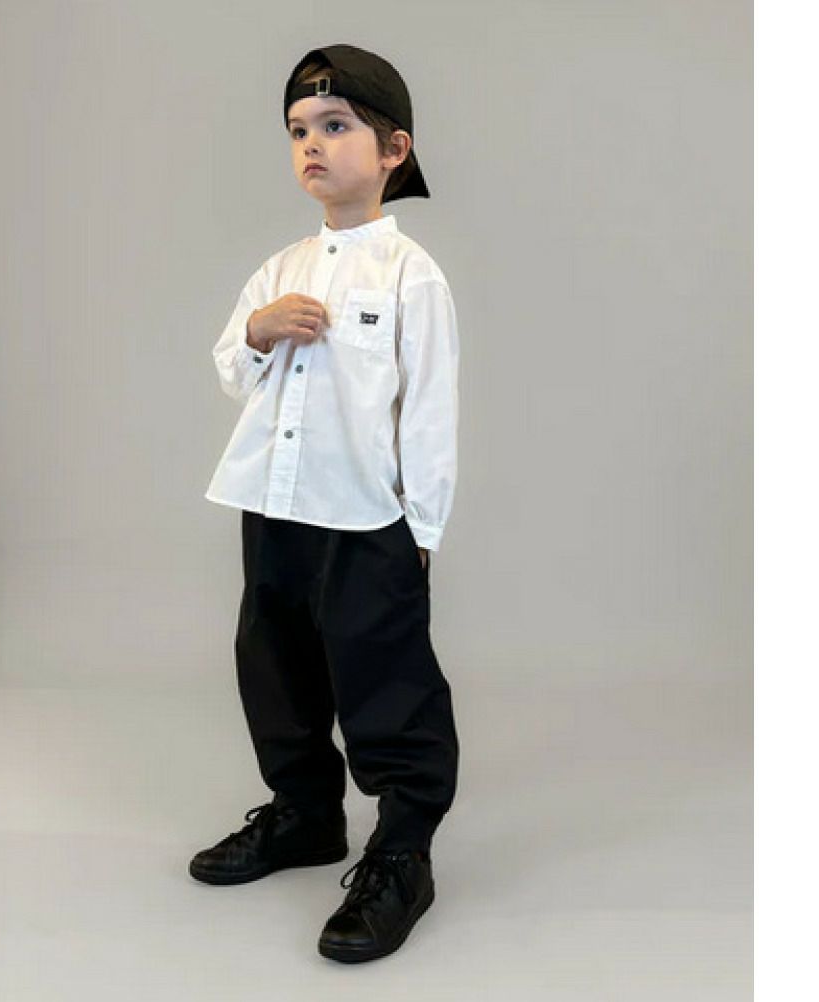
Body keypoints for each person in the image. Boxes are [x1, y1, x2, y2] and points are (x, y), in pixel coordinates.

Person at [189, 43, 461, 964]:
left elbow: (429, 412)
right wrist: (258, 331)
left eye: (336, 126)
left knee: (384, 675)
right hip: (271, 507)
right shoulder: (279, 269)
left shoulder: (410, 276)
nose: (312, 144)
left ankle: (404, 850)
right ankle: (305, 812)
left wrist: (421, 528)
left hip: (366, 518)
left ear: (393, 149)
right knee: (275, 663)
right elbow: (233, 370)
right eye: (298, 129)